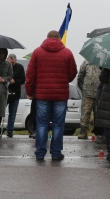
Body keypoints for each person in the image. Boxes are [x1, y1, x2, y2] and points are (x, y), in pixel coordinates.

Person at [25, 31, 78, 161]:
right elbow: (73, 73)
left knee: (42, 124)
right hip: (60, 94)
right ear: (59, 38)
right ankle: (56, 153)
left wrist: (30, 91)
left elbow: (30, 74)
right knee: (58, 125)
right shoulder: (67, 53)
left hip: (42, 94)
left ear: (47, 38)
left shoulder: (37, 52)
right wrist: (63, 80)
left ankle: (40, 153)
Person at [77, 60, 102, 139]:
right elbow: (80, 76)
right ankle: (84, 132)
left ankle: (99, 133)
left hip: (99, 93)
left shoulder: (102, 62)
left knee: (99, 114)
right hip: (88, 93)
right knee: (86, 113)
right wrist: (84, 89)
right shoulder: (85, 62)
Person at [5, 53, 26, 137]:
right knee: (1, 112)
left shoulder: (20, 67)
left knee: (12, 113)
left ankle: (10, 130)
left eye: (14, 62)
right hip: (5, 93)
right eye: (11, 62)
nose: (12, 64)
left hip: (15, 94)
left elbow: (23, 80)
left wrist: (15, 81)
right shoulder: (5, 66)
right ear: (8, 60)